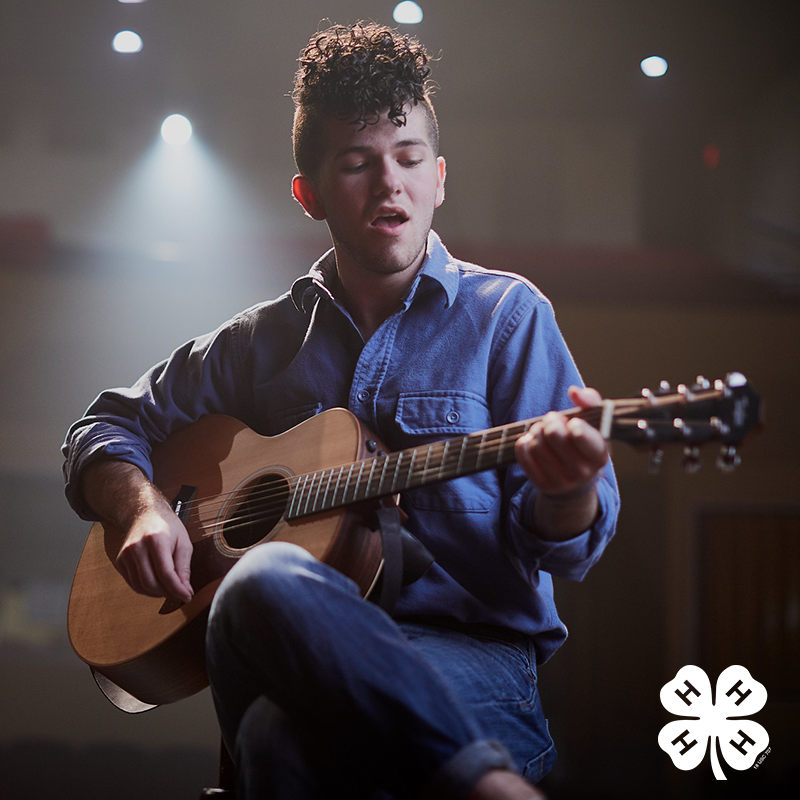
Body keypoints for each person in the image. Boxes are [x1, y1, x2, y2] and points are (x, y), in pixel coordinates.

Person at [63, 21, 619, 800]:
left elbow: (569, 548)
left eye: (409, 159)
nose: (390, 184)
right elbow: (103, 426)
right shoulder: (260, 342)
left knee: (268, 706)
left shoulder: (509, 317)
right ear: (310, 194)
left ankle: (484, 782)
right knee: (263, 618)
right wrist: (141, 509)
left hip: (471, 665)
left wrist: (568, 490)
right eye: (358, 163)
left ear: (439, 178)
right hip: (299, 661)